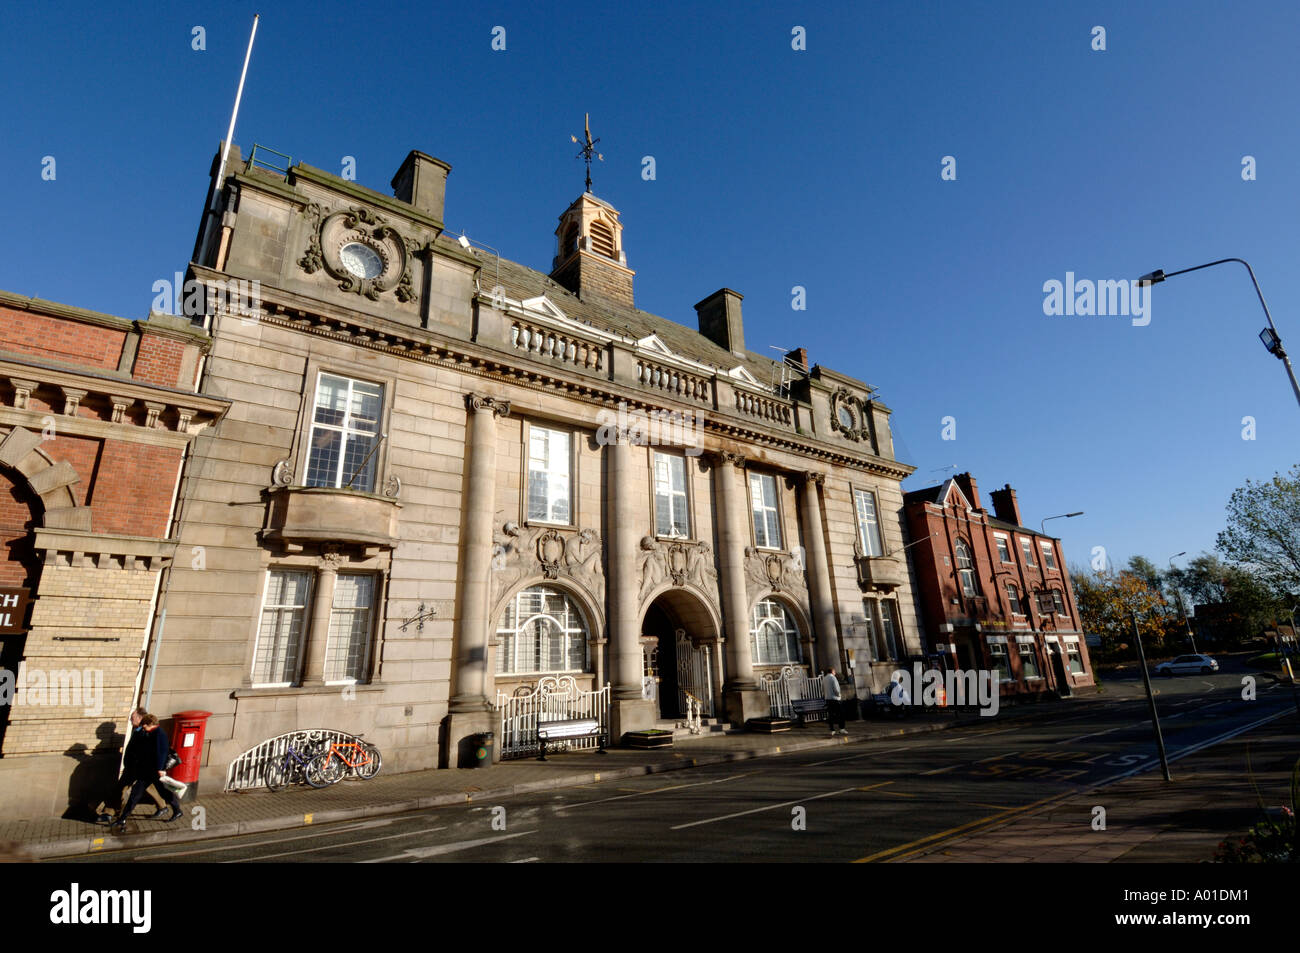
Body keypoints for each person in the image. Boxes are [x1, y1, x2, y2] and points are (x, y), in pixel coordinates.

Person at [111, 713, 181, 830]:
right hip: (147, 771)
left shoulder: (159, 734)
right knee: (135, 794)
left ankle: (177, 810)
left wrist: (160, 769)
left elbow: (161, 753)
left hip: (154, 771)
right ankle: (122, 819)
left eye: (144, 725)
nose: (143, 727)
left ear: (150, 724)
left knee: (163, 792)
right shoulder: (150, 733)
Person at [98, 707, 161, 823]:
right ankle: (163, 806)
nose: (131, 721)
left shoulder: (145, 732)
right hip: (133, 766)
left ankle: (110, 812)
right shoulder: (136, 730)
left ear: (140, 718)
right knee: (147, 786)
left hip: (136, 767)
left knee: (120, 788)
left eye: (133, 718)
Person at [823, 667, 846, 736]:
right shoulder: (833, 678)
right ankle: (842, 729)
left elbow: (822, 689)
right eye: (834, 672)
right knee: (840, 714)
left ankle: (832, 730)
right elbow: (836, 689)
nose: (835, 673)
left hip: (828, 699)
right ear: (832, 672)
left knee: (831, 715)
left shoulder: (824, 679)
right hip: (835, 699)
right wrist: (839, 695)